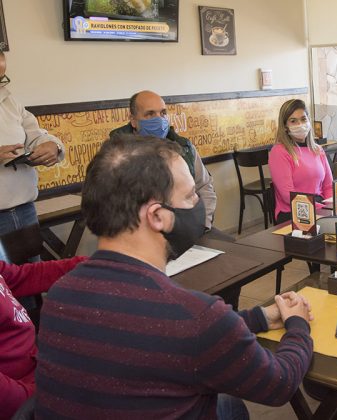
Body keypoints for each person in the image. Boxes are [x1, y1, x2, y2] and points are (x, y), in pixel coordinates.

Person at [35, 135, 314, 418]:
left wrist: (260, 318)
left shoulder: (60, 294)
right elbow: (280, 384)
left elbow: (165, 337)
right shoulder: (197, 317)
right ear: (158, 216)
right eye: (190, 195)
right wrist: (298, 325)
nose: (198, 203)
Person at [109, 90, 217, 230]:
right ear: (133, 120)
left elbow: (204, 187)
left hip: (188, 228)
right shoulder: (116, 155)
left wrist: (203, 225)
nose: (159, 119)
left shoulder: (184, 148)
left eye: (163, 113)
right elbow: (114, 205)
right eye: (150, 114)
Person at [0, 257, 86, 418]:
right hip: (28, 398)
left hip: (36, 361)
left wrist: (86, 264)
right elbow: (9, 401)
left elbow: (21, 277)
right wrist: (52, 392)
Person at [0, 50, 65, 239]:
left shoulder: (9, 102)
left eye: (1, 78)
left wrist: (52, 146)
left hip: (23, 210)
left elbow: (36, 135)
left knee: (31, 268)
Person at [269, 99, 333, 223]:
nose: (300, 124)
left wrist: (331, 207)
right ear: (285, 126)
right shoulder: (279, 152)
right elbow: (289, 195)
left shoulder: (317, 149)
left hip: (319, 207)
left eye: (303, 119)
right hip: (294, 212)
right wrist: (320, 209)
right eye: (293, 121)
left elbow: (328, 186)